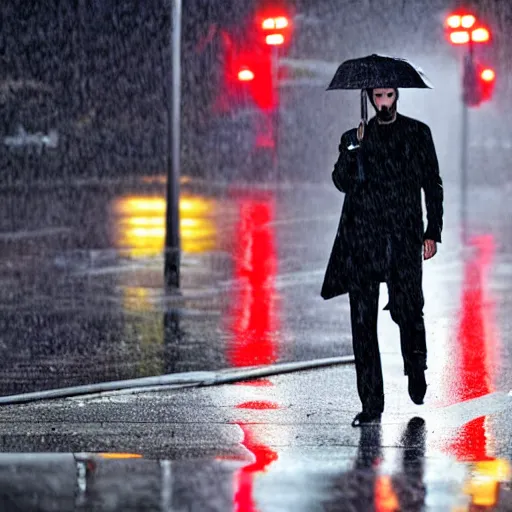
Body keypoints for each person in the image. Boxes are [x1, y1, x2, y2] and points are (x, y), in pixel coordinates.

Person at [321, 87, 444, 426]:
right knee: (362, 323)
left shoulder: (417, 134)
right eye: (378, 96)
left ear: (397, 96)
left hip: (403, 238)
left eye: (389, 95)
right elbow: (341, 181)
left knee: (408, 310)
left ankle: (416, 367)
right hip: (363, 240)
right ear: (370, 98)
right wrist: (353, 149)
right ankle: (371, 403)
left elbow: (432, 183)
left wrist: (432, 231)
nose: (384, 102)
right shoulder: (355, 138)